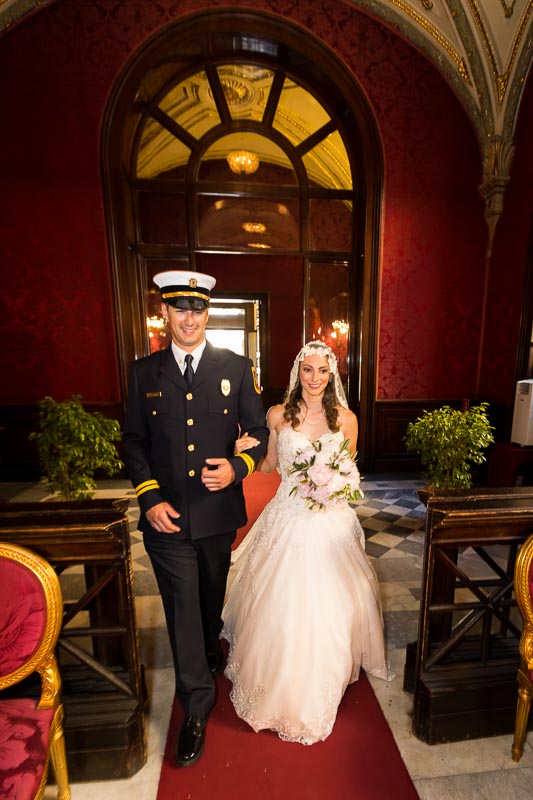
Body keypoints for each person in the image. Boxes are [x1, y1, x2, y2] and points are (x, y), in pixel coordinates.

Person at [122, 270, 268, 767]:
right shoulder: (144, 373)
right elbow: (134, 442)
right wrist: (148, 498)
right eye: (179, 308)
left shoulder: (236, 366)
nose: (190, 318)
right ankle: (198, 706)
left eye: (198, 309)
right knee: (182, 608)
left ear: (207, 312)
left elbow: (259, 432)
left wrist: (237, 467)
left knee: (209, 600)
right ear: (164, 312)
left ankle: (210, 646)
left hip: (216, 515)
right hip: (166, 520)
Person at [222, 340, 392, 745]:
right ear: (298, 372)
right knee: (280, 600)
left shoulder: (347, 420)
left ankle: (322, 678)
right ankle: (276, 675)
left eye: (322, 370)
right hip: (288, 514)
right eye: (307, 370)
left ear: (332, 375)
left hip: (331, 521)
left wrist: (333, 489)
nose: (314, 378)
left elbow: (348, 471)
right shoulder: (278, 415)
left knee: (330, 603)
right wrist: (243, 450)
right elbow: (268, 467)